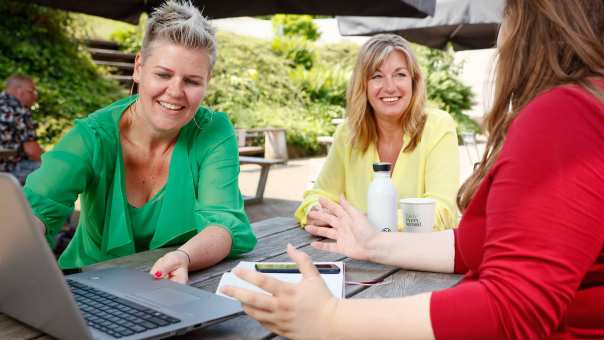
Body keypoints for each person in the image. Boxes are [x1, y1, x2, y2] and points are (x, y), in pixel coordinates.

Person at [222, 0, 604, 338]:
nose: (502, 32)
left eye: (508, 12)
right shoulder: (579, 106)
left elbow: (511, 311)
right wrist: (372, 243)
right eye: (376, 76)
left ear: (531, 23)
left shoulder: (564, 113)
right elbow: (472, 245)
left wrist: (332, 319)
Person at [24, 0, 256, 283]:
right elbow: (36, 209)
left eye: (192, 81)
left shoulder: (213, 132)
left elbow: (223, 223)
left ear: (207, 81)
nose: (175, 92)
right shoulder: (92, 136)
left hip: (179, 284)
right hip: (89, 286)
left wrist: (183, 257)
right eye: (163, 74)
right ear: (138, 67)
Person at [294, 34, 459, 231]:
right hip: (358, 258)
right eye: (377, 76)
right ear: (363, 85)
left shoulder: (437, 126)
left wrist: (368, 223)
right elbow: (317, 196)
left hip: (423, 258)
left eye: (400, 74)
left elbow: (442, 212)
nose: (390, 87)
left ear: (414, 82)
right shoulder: (348, 133)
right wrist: (318, 212)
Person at [0, 74, 44, 184]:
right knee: (53, 169)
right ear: (20, 91)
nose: (35, 96)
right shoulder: (18, 108)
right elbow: (32, 151)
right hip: (7, 171)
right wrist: (52, 159)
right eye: (32, 91)